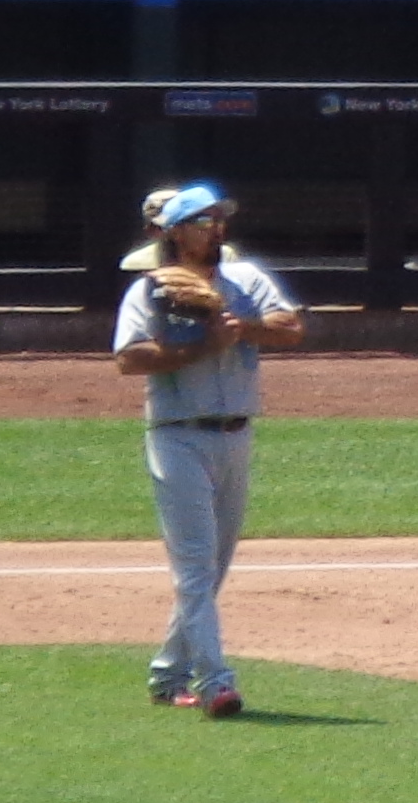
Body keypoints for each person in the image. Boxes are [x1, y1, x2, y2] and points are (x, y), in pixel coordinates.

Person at [105, 177, 304, 719]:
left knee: (212, 569)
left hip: (237, 434)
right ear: (175, 232)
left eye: (219, 218)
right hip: (177, 436)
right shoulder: (148, 291)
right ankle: (218, 681)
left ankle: (168, 675)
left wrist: (245, 328)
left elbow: (291, 328)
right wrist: (201, 345)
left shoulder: (245, 278)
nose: (214, 228)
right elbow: (130, 359)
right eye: (201, 220)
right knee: (194, 568)